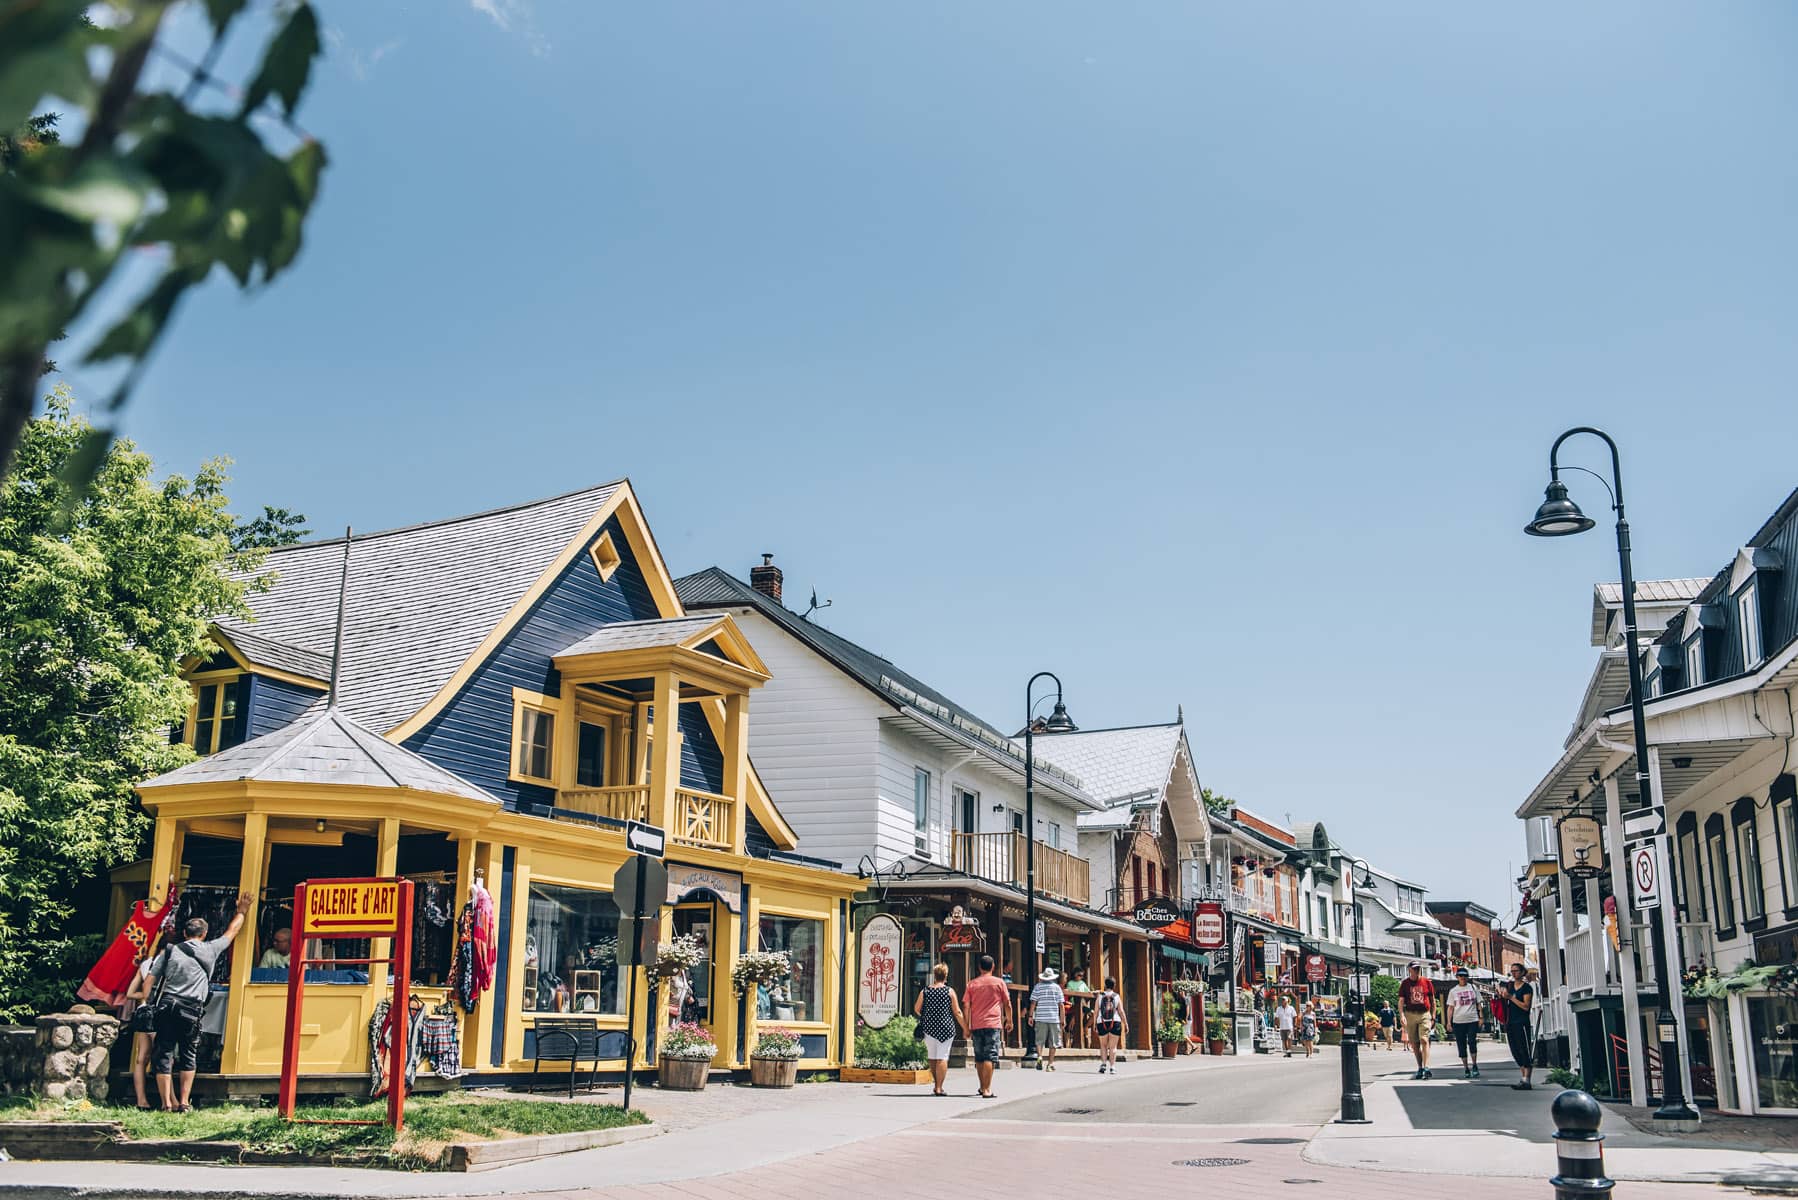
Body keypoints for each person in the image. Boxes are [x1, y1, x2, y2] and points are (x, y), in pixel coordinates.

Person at [142, 892, 252, 1112]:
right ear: (205, 933)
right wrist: (242, 911)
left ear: (184, 933)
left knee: (163, 1053)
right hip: (191, 1009)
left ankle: (165, 1104)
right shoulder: (211, 949)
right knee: (188, 1054)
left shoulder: (171, 950)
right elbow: (232, 932)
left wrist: (147, 1002)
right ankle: (183, 1102)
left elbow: (150, 980)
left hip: (167, 1005)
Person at [963, 954, 1013, 1098]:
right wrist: (1009, 1020)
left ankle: (981, 1086)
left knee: (979, 1056)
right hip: (993, 1023)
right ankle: (987, 1089)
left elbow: (966, 1005)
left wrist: (966, 1025)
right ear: (993, 967)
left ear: (979, 968)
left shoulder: (972, 984)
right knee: (990, 1056)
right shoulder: (999, 982)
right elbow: (1007, 1003)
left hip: (976, 1024)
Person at [913, 963, 966, 1097]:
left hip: (929, 1028)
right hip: (946, 1028)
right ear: (945, 976)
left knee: (932, 1056)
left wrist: (927, 1015)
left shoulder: (925, 991)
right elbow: (957, 1012)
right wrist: (966, 1028)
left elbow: (916, 1009)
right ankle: (939, 1087)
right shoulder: (949, 991)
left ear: (934, 976)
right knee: (942, 1057)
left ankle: (936, 1085)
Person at [122, 961, 159, 1110]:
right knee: (162, 1056)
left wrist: (144, 995)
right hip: (158, 1010)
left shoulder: (146, 963)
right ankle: (169, 1100)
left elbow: (130, 993)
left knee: (141, 1058)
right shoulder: (170, 960)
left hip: (143, 1011)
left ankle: (141, 1100)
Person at [1398, 960, 1435, 1080]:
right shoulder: (1405, 984)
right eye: (1414, 968)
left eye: (1418, 968)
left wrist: (1433, 1015)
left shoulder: (1426, 982)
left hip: (1424, 1014)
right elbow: (1401, 1001)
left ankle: (1426, 1066)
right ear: (1409, 970)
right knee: (1414, 1043)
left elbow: (1432, 1000)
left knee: (1424, 1039)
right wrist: (1402, 1015)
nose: (1416, 970)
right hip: (1410, 1014)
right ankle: (1420, 1067)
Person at [1500, 961, 1535, 1090]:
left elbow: (1526, 1007)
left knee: (1524, 1049)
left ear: (1522, 972)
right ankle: (1523, 1078)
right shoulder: (1509, 986)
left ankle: (1527, 1079)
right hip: (1510, 1021)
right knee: (1515, 1050)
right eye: (1512, 971)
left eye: (1516, 971)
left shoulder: (1526, 988)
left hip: (1522, 1022)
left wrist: (1511, 998)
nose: (1514, 973)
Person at [1446, 966, 1482, 1079]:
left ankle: (1475, 1065)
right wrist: (1448, 1022)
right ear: (1457, 977)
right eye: (1460, 976)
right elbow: (1450, 1008)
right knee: (1461, 1044)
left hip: (1472, 1019)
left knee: (1472, 1041)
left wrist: (1481, 1017)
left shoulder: (1473, 988)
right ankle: (1466, 1067)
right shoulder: (1453, 991)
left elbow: (1479, 1003)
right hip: (1458, 1021)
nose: (1463, 978)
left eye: (1465, 976)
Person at [1028, 967, 1066, 1071]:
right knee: (1053, 1042)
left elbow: (1033, 1003)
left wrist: (1031, 1016)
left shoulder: (1038, 987)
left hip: (1040, 1017)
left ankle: (1040, 1057)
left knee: (1039, 1041)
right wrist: (1062, 1019)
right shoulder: (1057, 988)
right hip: (1053, 1018)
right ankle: (1050, 1064)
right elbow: (1061, 1005)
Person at [1094, 975, 1127, 1074]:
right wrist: (1125, 1023)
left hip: (1102, 1022)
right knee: (1113, 1047)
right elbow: (1121, 1011)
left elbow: (1096, 1011)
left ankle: (1103, 1064)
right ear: (1114, 985)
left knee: (1103, 1046)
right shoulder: (1116, 996)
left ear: (1105, 985)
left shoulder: (1100, 996)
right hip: (1115, 1022)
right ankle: (1112, 1067)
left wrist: (1095, 1024)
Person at [1274, 993, 1297, 1057]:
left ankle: (1289, 1050)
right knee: (1284, 1040)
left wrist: (1295, 1025)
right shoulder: (1279, 1008)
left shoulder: (1291, 1008)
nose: (1282, 1001)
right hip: (1282, 1027)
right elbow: (1276, 1017)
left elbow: (1295, 1016)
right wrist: (1276, 1025)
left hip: (1289, 1026)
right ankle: (1288, 1051)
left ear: (1287, 1001)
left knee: (1289, 1038)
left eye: (1284, 1000)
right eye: (1282, 1000)